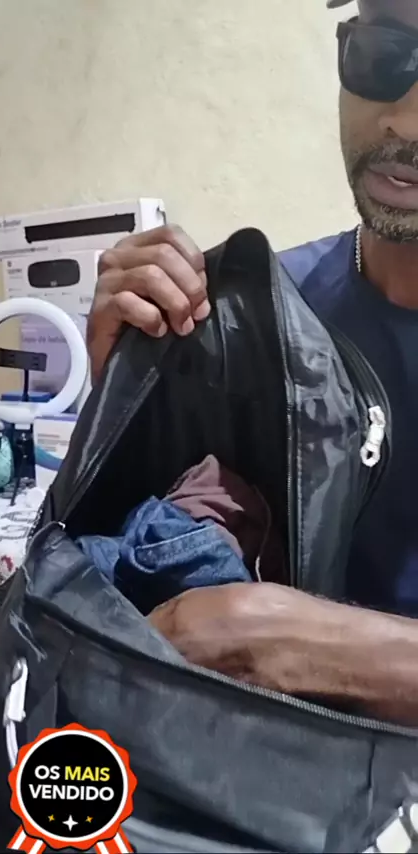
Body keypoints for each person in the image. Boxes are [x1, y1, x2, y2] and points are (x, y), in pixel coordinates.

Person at [87, 0, 418, 724]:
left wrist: (286, 641)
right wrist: (122, 392)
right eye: (383, 56)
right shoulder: (261, 309)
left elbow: (233, 636)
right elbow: (143, 553)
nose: (408, 121)